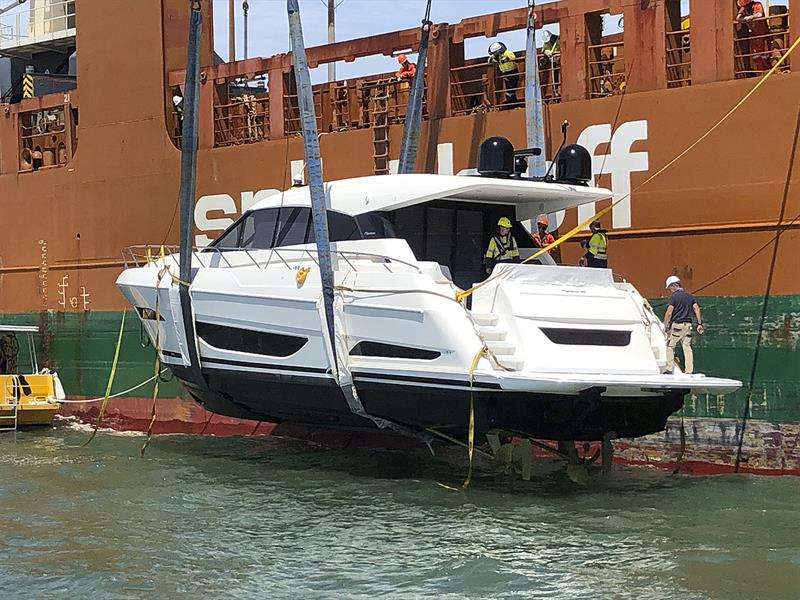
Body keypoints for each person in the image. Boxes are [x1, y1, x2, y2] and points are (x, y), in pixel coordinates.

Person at [662, 275, 705, 374]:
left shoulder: (673, 297)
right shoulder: (690, 296)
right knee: (687, 346)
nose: (670, 290)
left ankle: (669, 369)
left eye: (669, 287)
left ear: (673, 286)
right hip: (688, 325)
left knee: (670, 345)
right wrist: (699, 323)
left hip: (677, 325)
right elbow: (696, 309)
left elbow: (669, 313)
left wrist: (665, 325)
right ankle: (689, 370)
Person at [736, 0, 770, 73]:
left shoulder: (757, 4)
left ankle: (766, 70)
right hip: (754, 34)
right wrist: (743, 19)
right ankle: (759, 71)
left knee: (764, 53)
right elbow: (738, 17)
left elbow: (759, 14)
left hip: (762, 33)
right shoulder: (744, 8)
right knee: (756, 54)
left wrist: (751, 17)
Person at [540, 31, 561, 98]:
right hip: (553, 62)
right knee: (555, 78)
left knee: (561, 76)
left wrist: (557, 53)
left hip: (560, 61)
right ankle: (555, 92)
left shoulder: (558, 39)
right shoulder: (546, 43)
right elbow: (543, 49)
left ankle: (558, 91)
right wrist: (546, 52)